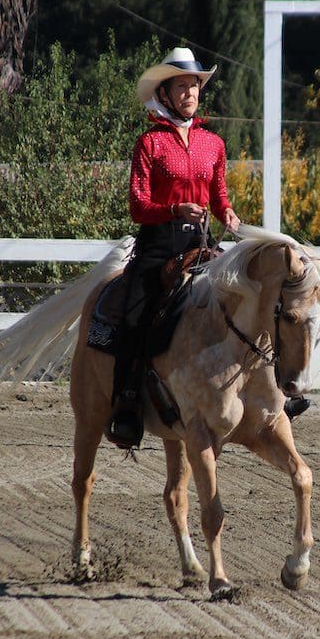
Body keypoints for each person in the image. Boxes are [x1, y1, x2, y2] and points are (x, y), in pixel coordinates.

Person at [106, 47, 241, 449]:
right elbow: (137, 205)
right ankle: (128, 403)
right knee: (133, 315)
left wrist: (229, 213)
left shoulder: (213, 144)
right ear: (164, 94)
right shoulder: (148, 143)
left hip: (202, 241)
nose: (190, 93)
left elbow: (219, 195)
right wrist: (173, 209)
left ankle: (266, 394)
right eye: (181, 87)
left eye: (194, 86)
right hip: (159, 244)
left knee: (247, 300)